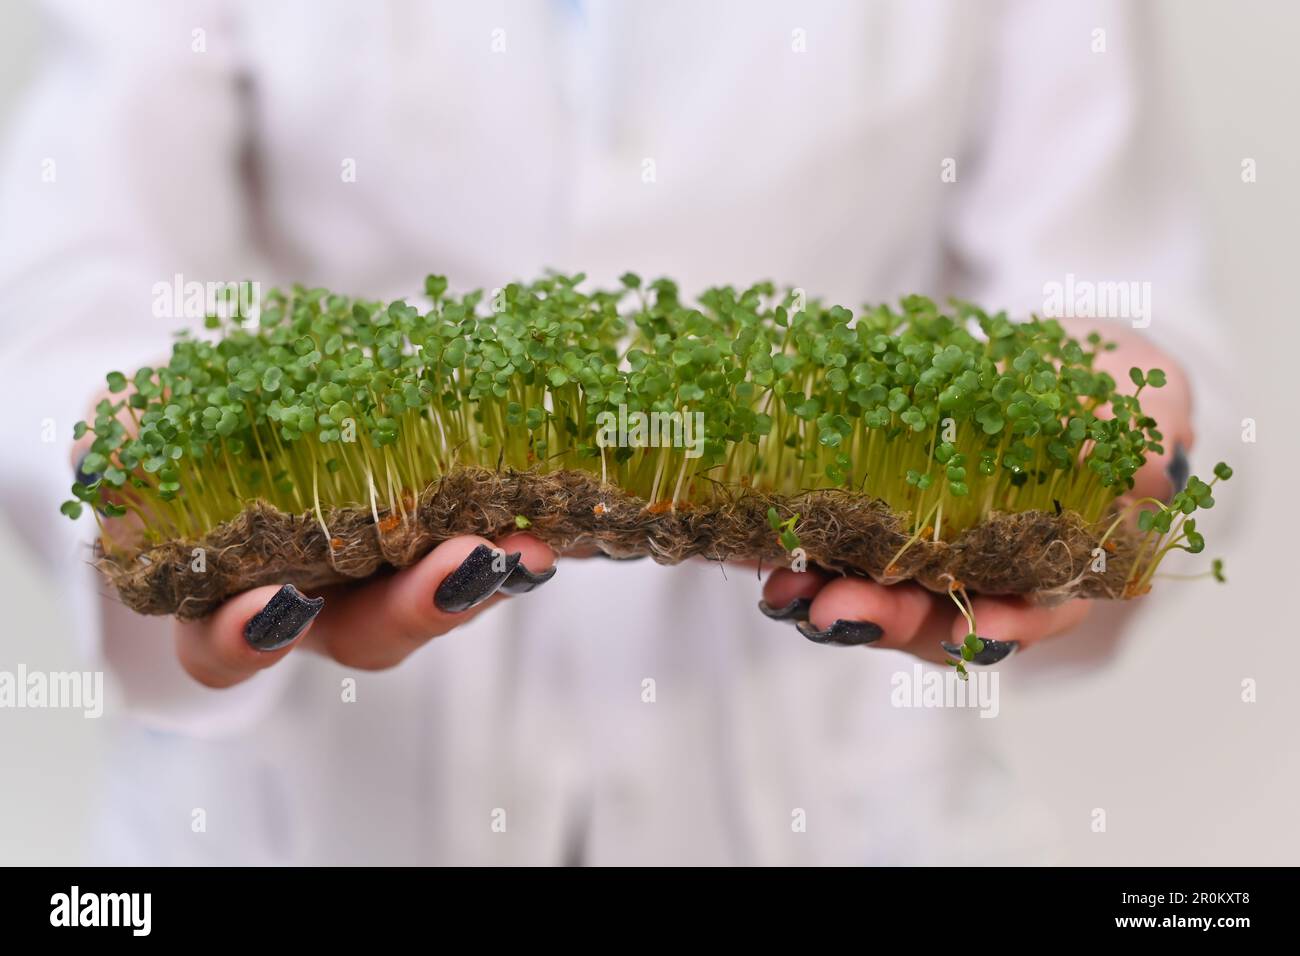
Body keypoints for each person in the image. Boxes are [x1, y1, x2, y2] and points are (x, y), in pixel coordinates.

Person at [0, 0, 1229, 864]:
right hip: (319, 807)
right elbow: (71, 266)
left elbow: (1110, 287)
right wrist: (131, 469)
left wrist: (1125, 451)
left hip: (839, 796)